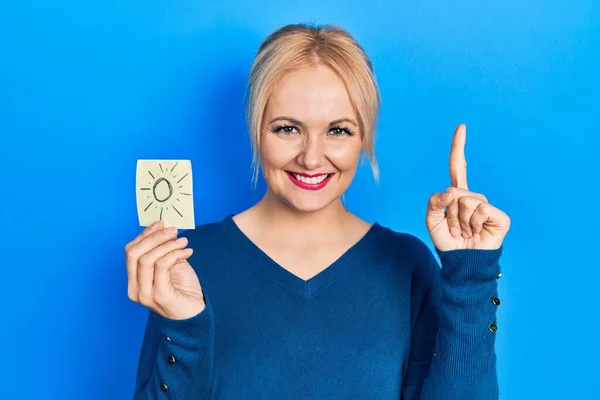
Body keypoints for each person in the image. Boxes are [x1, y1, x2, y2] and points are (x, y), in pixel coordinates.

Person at [126, 23, 511, 399]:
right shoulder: (187, 261)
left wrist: (471, 276)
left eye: (338, 130)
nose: (311, 158)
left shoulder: (407, 265)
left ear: (364, 138)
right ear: (256, 130)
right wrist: (185, 328)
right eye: (287, 129)